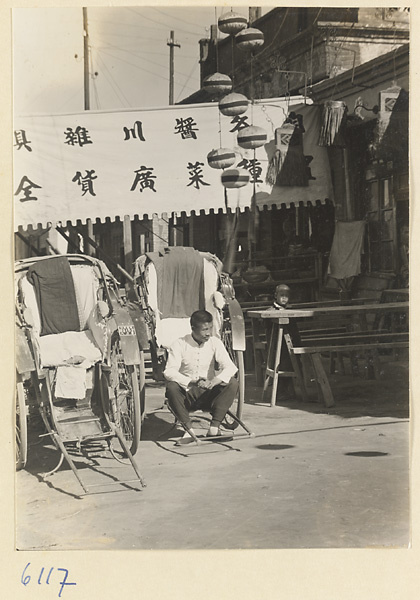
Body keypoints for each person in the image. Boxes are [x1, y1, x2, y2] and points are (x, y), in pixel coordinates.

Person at [164, 310, 238, 442]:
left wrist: (215, 380)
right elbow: (169, 371)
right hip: (187, 395)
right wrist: (191, 381)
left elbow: (230, 367)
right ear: (193, 328)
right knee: (171, 387)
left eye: (210, 328)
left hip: (208, 393)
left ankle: (214, 428)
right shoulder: (180, 344)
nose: (208, 333)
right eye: (204, 330)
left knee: (232, 382)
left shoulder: (215, 342)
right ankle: (189, 431)